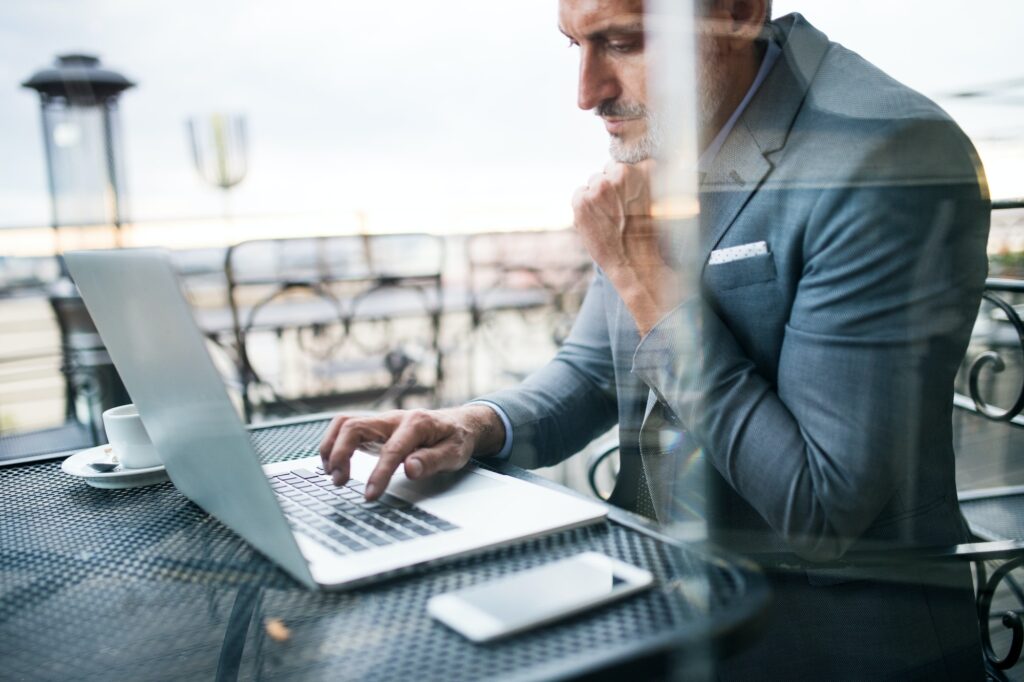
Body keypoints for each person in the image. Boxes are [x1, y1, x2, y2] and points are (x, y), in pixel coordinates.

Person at [321, 0, 990, 677]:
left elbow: (820, 509)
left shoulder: (885, 156)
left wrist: (647, 286)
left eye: (622, 40)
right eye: (574, 45)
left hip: (828, 645)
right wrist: (472, 424)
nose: (587, 93)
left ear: (737, 12)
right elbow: (591, 372)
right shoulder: (678, 124)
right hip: (657, 600)